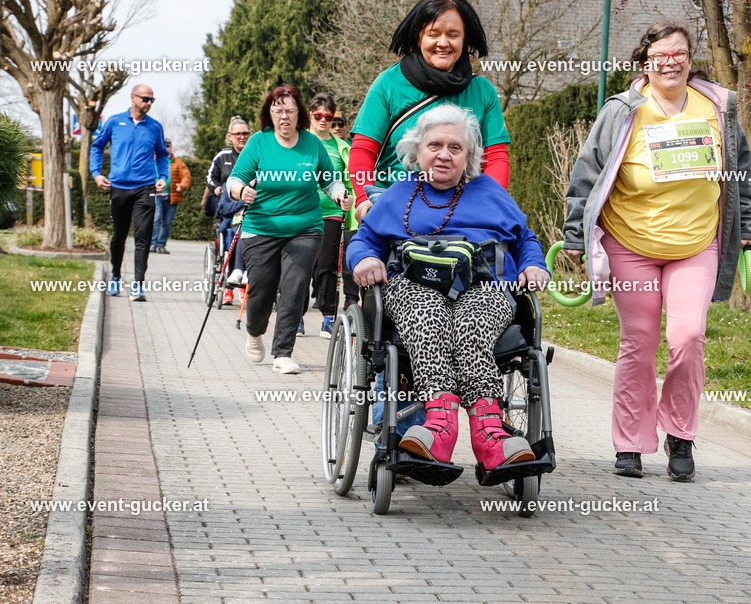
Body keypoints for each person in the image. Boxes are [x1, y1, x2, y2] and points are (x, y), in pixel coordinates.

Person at [562, 21, 751, 482]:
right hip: (629, 242)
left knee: (688, 337)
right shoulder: (622, 111)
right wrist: (577, 235)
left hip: (695, 243)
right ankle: (630, 443)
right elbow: (586, 175)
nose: (670, 62)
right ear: (645, 61)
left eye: (679, 54)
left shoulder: (718, 108)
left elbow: (741, 172)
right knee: (640, 343)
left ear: (691, 61)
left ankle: (680, 434)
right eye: (661, 55)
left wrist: (748, 224)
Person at [348, 104, 550, 474]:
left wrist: (535, 264)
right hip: (412, 287)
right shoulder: (398, 194)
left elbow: (525, 239)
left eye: (455, 147)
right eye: (435, 145)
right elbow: (364, 241)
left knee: (471, 325)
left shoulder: (488, 191)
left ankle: (489, 434)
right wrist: (363, 260)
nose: (444, 155)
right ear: (417, 151)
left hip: (483, 287)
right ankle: (440, 427)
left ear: (469, 156)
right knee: (429, 315)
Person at [349, 0, 510, 224]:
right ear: (418, 37)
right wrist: (364, 198)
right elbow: (363, 149)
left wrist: (492, 202)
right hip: (394, 212)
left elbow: (495, 157)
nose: (443, 43)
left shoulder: (483, 91)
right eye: (433, 34)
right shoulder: (388, 83)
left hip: (462, 215)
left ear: (465, 40)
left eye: (453, 35)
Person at [227, 86, 352, 375]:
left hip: (305, 228)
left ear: (300, 114)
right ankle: (255, 331)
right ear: (269, 114)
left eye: (290, 110)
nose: (284, 116)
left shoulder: (312, 144)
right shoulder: (259, 142)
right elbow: (236, 178)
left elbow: (330, 181)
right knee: (261, 289)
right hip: (261, 228)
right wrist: (241, 191)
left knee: (295, 287)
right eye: (278, 110)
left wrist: (339, 194)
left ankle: (283, 352)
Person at [90, 83, 168, 301]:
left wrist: (162, 177)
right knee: (119, 235)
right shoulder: (115, 122)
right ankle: (115, 276)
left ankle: (138, 286)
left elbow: (162, 155)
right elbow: (97, 146)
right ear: (133, 98)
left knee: (142, 237)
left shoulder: (155, 127)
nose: (149, 103)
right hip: (119, 187)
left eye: (152, 100)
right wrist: (96, 173)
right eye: (145, 99)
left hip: (146, 187)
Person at [307, 93, 358, 339]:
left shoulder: (342, 149)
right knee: (302, 266)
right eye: (318, 116)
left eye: (329, 117)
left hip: (332, 214)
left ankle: (328, 318)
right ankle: (296, 317)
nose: (324, 121)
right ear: (310, 116)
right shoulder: (300, 142)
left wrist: (349, 207)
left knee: (327, 266)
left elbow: (349, 182)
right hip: (301, 212)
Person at [207, 116, 251, 304]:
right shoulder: (223, 157)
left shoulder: (254, 154)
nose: (242, 137)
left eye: (246, 134)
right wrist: (216, 188)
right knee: (233, 234)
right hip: (229, 208)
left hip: (251, 214)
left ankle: (247, 281)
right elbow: (210, 177)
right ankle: (228, 284)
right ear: (230, 137)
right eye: (238, 134)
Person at [152, 139, 191, 254]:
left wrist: (182, 185)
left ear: (171, 148)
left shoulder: (178, 163)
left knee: (167, 223)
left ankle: (161, 245)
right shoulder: (153, 161)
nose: (166, 148)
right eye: (163, 146)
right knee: (156, 219)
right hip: (156, 196)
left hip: (172, 197)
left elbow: (186, 176)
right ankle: (153, 244)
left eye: (168, 146)